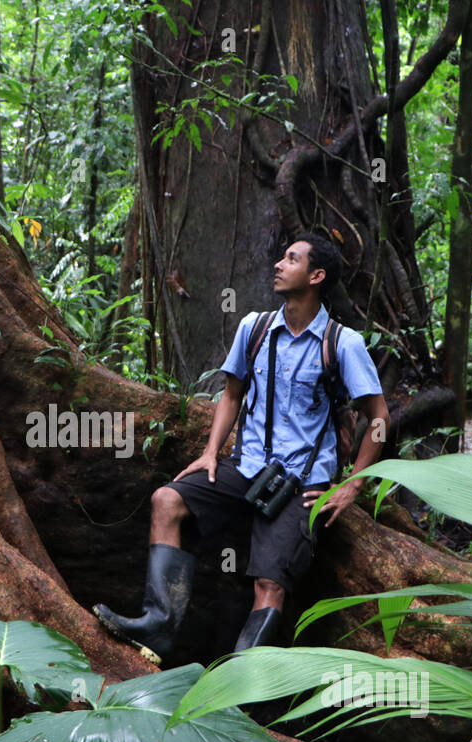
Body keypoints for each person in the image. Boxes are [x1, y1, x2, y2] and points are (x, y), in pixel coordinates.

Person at [94, 233, 390, 664]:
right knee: (167, 500)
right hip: (246, 468)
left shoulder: (342, 343)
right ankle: (157, 626)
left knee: (269, 586)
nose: (278, 264)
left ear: (317, 275)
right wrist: (212, 452)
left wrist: (353, 486)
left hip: (302, 484)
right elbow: (231, 395)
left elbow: (378, 416)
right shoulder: (254, 328)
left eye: (291, 259)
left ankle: (240, 686)